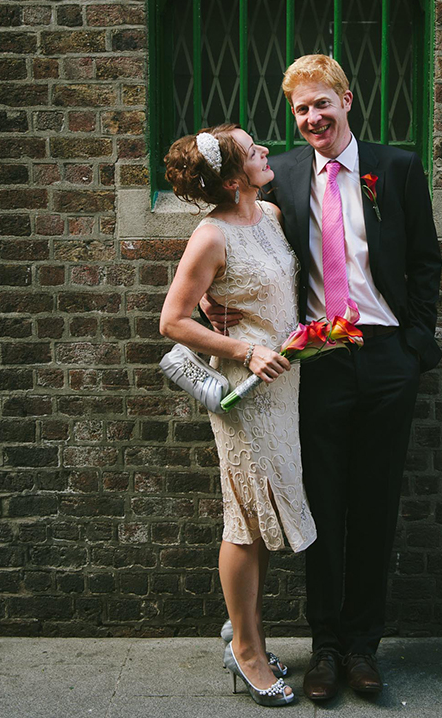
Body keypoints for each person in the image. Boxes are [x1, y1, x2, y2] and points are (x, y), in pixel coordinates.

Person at [203, 55, 442, 701]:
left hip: (389, 357)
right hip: (318, 363)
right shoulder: (277, 173)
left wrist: (416, 345)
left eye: (322, 105)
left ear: (347, 100)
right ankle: (327, 650)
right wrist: (212, 303)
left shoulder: (395, 169)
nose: (313, 119)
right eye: (302, 110)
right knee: (323, 506)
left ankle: (365, 647)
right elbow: (239, 237)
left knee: (375, 505)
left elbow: (425, 262)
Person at [160, 123, 316, 707]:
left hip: (285, 388)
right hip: (243, 391)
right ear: (232, 179)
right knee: (245, 517)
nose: (266, 152)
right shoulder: (210, 236)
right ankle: (247, 651)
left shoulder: (272, 217)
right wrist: (244, 348)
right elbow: (173, 321)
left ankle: (242, 624)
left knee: (265, 514)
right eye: (254, 152)